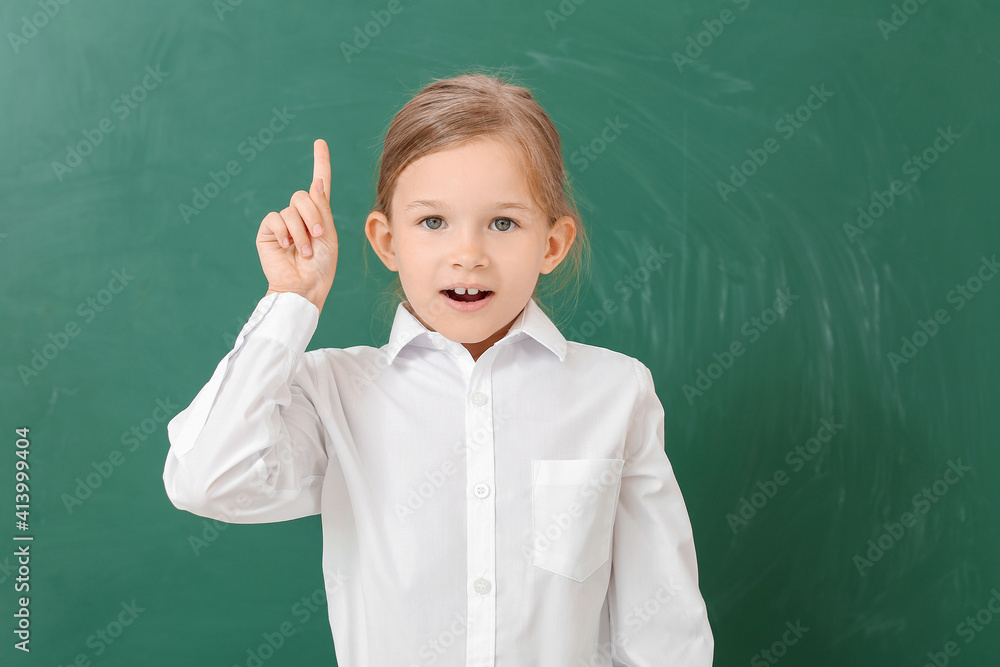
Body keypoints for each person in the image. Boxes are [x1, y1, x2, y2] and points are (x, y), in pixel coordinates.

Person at [162, 71, 714, 666]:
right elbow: (205, 479)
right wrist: (291, 300)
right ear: (386, 240)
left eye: (503, 223)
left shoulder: (613, 391)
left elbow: (660, 624)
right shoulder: (335, 392)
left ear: (551, 245)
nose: (468, 254)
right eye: (432, 222)